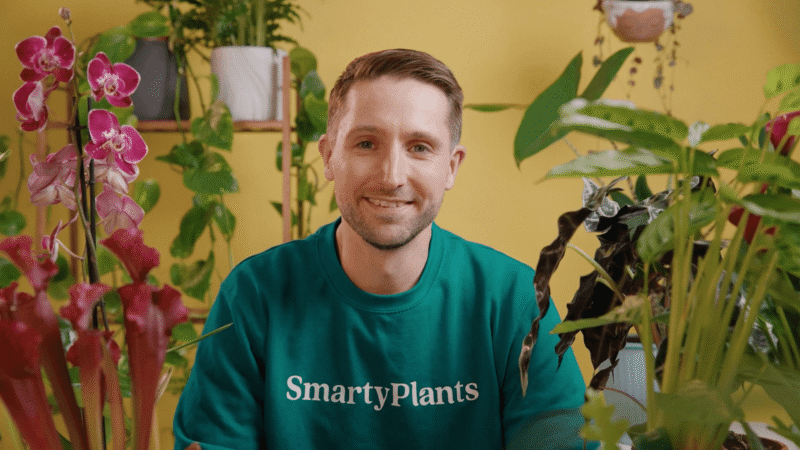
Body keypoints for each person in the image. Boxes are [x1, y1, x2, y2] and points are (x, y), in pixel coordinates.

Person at [173, 49, 592, 450]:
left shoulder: (514, 299)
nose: (392, 176)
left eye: (419, 147)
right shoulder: (253, 295)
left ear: (451, 167)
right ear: (328, 157)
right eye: (366, 144)